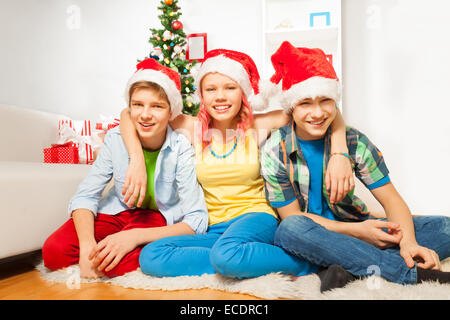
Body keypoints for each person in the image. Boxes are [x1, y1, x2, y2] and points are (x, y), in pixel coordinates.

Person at [119, 49, 354, 278]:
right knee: (152, 255)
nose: (220, 96)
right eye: (211, 89)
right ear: (202, 94)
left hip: (257, 219)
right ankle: (241, 260)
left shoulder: (259, 125)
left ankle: (309, 264)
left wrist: (340, 154)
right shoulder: (192, 128)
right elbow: (127, 114)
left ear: (242, 92)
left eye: (230, 88)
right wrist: (137, 160)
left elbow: (323, 109)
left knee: (226, 255)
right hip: (215, 227)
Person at [260, 41, 450, 292]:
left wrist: (409, 244)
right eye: (305, 103)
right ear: (291, 108)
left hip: (357, 225)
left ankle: (345, 268)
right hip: (313, 234)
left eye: (325, 100)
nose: (317, 113)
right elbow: (293, 217)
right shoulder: (275, 150)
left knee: (445, 227)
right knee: (288, 230)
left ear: (335, 103)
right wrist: (359, 232)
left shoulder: (353, 142)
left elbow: (391, 200)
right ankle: (407, 273)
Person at [42, 58, 208, 278]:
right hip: (116, 211)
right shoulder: (116, 139)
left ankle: (136, 248)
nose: (145, 114)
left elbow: (197, 219)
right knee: (54, 253)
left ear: (171, 113)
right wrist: (87, 244)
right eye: (138, 105)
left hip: (155, 218)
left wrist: (134, 237)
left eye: (157, 106)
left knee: (119, 262)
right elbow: (85, 196)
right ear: (129, 108)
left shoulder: (181, 149)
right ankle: (115, 249)